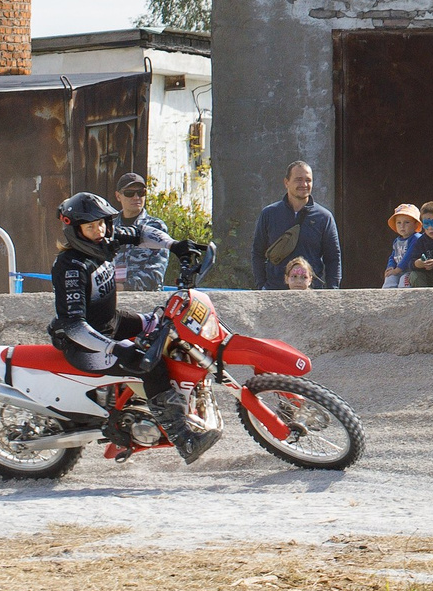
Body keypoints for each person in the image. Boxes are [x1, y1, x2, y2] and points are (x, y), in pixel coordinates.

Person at [47, 192, 215, 463]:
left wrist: (174, 245)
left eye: (102, 223)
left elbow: (139, 233)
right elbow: (73, 325)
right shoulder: (71, 267)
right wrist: (117, 349)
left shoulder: (103, 239)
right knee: (148, 363)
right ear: (75, 230)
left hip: (109, 323)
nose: (99, 230)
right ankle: (184, 439)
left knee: (163, 325)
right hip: (85, 346)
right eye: (90, 226)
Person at [252, 162, 342, 291]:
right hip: (275, 293)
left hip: (312, 294)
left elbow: (333, 257)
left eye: (308, 180)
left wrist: (333, 290)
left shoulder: (324, 217)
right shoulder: (269, 214)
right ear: (286, 182)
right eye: (298, 180)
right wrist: (261, 287)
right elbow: (258, 253)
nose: (304, 184)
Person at [383, 203, 425, 290]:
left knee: (404, 281)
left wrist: (398, 270)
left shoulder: (416, 238)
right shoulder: (397, 241)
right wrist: (390, 267)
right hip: (397, 270)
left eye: (407, 222)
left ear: (416, 224)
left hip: (411, 271)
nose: (402, 226)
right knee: (389, 279)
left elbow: (409, 256)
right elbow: (393, 256)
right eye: (399, 223)